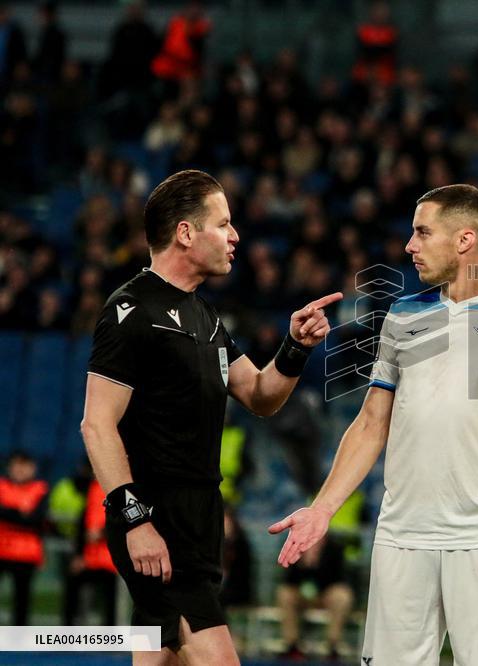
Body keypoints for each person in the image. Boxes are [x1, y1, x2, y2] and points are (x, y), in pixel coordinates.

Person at [270, 183, 478, 665]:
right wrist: (322, 509)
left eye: (422, 232)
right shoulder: (403, 314)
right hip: (402, 536)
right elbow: (371, 422)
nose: (409, 246)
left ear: (464, 240)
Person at [81, 169, 341, 665]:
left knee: (160, 652)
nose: (234, 235)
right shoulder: (130, 310)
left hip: (200, 516)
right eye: (222, 224)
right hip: (157, 517)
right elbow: (96, 425)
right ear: (185, 232)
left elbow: (260, 396)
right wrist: (135, 522)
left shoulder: (205, 315)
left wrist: (295, 347)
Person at [275, 533, 354, 659]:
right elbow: (289, 579)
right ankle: (292, 645)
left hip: (326, 593)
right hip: (300, 592)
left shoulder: (335, 547)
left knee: (342, 596)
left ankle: (333, 645)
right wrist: (305, 564)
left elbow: (338, 578)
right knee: (284, 594)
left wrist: (316, 564)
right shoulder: (293, 545)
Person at [0, 451, 48, 625]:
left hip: (26, 553)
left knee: (22, 600)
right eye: (16, 465)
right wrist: (20, 513)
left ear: (32, 468)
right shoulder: (2, 486)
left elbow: (36, 519)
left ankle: (18, 636)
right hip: (2, 549)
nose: (19, 470)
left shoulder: (40, 489)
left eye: (24, 465)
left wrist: (9, 512)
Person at [63, 477, 118, 625]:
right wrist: (79, 554)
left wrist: (102, 533)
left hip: (112, 559)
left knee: (110, 600)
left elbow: (124, 519)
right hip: (89, 557)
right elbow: (83, 522)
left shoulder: (120, 484)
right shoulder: (91, 487)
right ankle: (67, 632)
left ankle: (110, 635)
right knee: (72, 586)